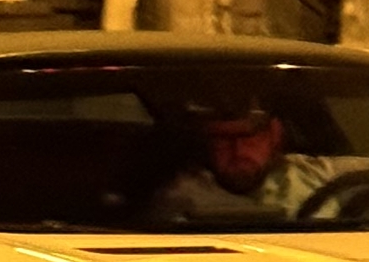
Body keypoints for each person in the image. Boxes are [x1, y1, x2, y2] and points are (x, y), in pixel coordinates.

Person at [142, 97, 336, 230]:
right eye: (224, 141)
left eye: (249, 139)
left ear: (274, 135)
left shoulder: (318, 173)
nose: (239, 151)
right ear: (208, 144)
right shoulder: (182, 201)